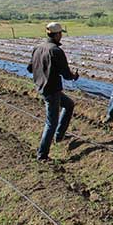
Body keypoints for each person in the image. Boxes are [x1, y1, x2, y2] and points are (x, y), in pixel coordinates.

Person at [27, 22, 79, 161]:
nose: (61, 36)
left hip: (41, 86)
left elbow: (30, 68)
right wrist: (74, 76)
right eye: (60, 33)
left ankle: (59, 135)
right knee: (51, 122)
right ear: (56, 35)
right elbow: (66, 74)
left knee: (69, 105)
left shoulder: (37, 48)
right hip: (52, 89)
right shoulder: (56, 50)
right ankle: (42, 154)